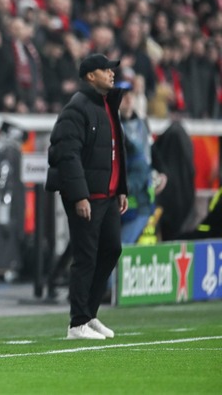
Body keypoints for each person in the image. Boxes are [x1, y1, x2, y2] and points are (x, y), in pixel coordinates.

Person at [45, 54, 128, 340]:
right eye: (106, 70)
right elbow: (65, 154)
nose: (111, 73)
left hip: (107, 195)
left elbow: (116, 154)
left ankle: (90, 314)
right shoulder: (77, 108)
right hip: (86, 196)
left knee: (112, 249)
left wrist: (121, 189)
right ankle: (77, 322)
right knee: (85, 257)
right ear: (90, 76)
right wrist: (80, 196)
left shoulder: (108, 106)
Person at [119, 82, 167, 244]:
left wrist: (162, 172)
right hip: (122, 196)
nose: (127, 99)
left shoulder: (142, 123)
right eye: (123, 96)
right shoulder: (112, 124)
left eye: (129, 95)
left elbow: (151, 150)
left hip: (140, 196)